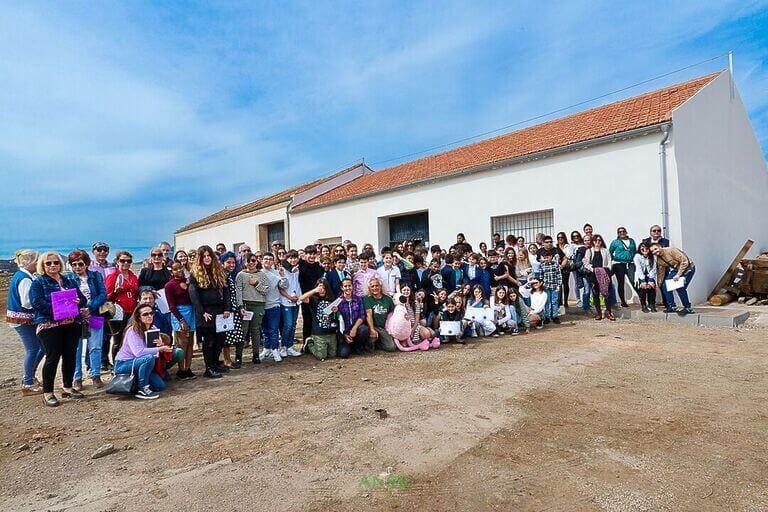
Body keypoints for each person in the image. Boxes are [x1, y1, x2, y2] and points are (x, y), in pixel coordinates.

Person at [30, 251, 90, 407]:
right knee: (52, 357)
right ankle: (48, 393)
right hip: (50, 325)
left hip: (71, 324)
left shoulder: (69, 281)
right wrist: (60, 308)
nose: (52, 265)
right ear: (42, 265)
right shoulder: (39, 282)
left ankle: (68, 387)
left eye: (55, 262)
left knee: (70, 356)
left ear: (60, 264)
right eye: (48, 263)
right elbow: (37, 303)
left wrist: (78, 301)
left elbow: (82, 299)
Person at [113, 304, 175, 400]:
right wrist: (159, 349)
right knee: (148, 358)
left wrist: (160, 345)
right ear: (138, 317)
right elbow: (139, 353)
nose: (149, 316)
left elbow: (155, 354)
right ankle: (142, 388)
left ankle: (135, 383)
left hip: (141, 363)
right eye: (145, 314)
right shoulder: (132, 331)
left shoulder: (153, 329)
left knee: (160, 386)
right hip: (124, 364)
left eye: (151, 313)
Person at [67, 249, 107, 391]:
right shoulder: (69, 279)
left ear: (87, 264)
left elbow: (103, 294)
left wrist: (89, 307)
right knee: (76, 348)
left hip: (95, 314)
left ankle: (95, 375)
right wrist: (79, 309)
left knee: (95, 346)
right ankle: (77, 378)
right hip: (76, 318)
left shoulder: (96, 276)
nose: (77, 267)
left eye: (80, 264)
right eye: (74, 264)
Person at [189, 245, 231, 378]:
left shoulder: (218, 271)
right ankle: (209, 368)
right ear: (200, 258)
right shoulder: (195, 273)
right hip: (206, 312)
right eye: (204, 256)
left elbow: (226, 292)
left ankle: (215, 364)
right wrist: (201, 312)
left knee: (220, 339)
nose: (207, 258)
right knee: (209, 341)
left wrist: (227, 308)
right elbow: (193, 294)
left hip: (219, 311)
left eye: (209, 256)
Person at [7, 249, 44, 396]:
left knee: (40, 347)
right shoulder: (25, 279)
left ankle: (30, 376)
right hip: (23, 319)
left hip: (20, 318)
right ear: (30, 262)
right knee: (34, 349)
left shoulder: (21, 275)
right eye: (37, 260)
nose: (38, 263)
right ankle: (28, 381)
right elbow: (27, 303)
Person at [105, 251, 139, 364]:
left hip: (132, 310)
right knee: (118, 339)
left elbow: (135, 293)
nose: (126, 263)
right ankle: (116, 365)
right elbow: (107, 298)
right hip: (118, 312)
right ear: (117, 261)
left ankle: (127, 362)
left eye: (128, 261)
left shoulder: (133, 276)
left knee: (130, 338)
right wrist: (115, 292)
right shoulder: (112, 277)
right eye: (122, 260)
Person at [165, 262, 196, 379]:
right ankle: (181, 369)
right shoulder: (169, 285)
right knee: (181, 343)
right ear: (172, 271)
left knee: (190, 343)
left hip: (191, 312)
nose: (179, 271)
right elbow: (171, 306)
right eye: (176, 269)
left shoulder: (188, 282)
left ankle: (188, 368)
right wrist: (182, 320)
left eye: (180, 268)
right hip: (179, 314)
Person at [236, 253, 267, 364]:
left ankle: (256, 355)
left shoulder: (262, 274)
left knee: (255, 330)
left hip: (258, 304)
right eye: (248, 261)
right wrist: (239, 306)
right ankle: (238, 356)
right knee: (243, 331)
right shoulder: (241, 275)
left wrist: (256, 283)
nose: (251, 263)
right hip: (245, 305)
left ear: (257, 262)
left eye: (253, 260)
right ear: (245, 262)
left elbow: (266, 290)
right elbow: (238, 291)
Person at [258, 253, 289, 362]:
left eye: (270, 259)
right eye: (265, 259)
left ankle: (275, 349)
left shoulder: (276, 273)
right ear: (261, 260)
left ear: (273, 261)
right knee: (264, 330)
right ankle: (266, 349)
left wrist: (282, 275)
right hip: (261, 306)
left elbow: (284, 286)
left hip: (274, 306)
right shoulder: (258, 273)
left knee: (273, 330)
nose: (268, 261)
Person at [651, 244, 696, 315]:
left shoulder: (671, 250)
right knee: (665, 286)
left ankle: (688, 307)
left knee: (680, 287)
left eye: (656, 249)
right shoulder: (659, 260)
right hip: (676, 269)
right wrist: (659, 284)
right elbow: (661, 272)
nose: (655, 251)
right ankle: (672, 306)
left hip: (688, 268)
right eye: (652, 251)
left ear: (660, 247)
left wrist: (678, 274)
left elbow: (684, 261)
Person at [300, 278, 338, 360]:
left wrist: (336, 310)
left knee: (333, 355)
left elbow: (336, 312)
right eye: (320, 287)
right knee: (322, 356)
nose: (322, 290)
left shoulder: (331, 298)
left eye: (324, 288)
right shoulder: (313, 299)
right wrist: (314, 290)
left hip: (331, 331)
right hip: (318, 332)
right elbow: (302, 298)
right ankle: (309, 343)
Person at [220, 252, 245, 369]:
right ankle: (226, 360)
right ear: (222, 263)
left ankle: (228, 359)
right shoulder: (222, 276)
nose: (231, 265)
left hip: (233, 309)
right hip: (226, 311)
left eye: (233, 262)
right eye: (228, 262)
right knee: (226, 337)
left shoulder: (229, 275)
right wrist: (227, 309)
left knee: (231, 336)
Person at [582, 235, 615, 321]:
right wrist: (592, 269)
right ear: (593, 241)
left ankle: (608, 312)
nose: (597, 242)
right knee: (595, 293)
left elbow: (609, 262)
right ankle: (598, 312)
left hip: (604, 274)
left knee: (607, 293)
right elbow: (586, 263)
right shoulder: (589, 251)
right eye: (595, 240)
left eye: (599, 240)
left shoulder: (606, 251)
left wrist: (607, 270)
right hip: (594, 275)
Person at [278, 250, 303, 357]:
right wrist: (289, 297)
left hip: (296, 301)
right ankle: (283, 346)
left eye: (295, 258)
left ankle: (290, 346)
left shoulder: (298, 270)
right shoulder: (282, 270)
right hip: (286, 301)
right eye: (290, 258)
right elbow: (280, 288)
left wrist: (297, 298)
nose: (293, 260)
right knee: (287, 324)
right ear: (287, 259)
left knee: (293, 325)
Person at [336, 278, 369, 357]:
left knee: (364, 329)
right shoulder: (338, 301)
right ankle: (347, 345)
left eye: (349, 286)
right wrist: (345, 335)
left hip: (356, 329)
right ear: (342, 288)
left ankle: (358, 346)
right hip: (344, 332)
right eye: (345, 286)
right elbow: (337, 321)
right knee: (344, 354)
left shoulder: (358, 299)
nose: (348, 288)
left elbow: (362, 316)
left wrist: (354, 328)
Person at [298, 246, 324, 342]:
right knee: (307, 321)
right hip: (305, 297)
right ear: (305, 254)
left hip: (317, 298)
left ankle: (317, 342)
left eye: (314, 254)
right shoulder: (301, 265)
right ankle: (306, 343)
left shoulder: (319, 266)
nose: (312, 256)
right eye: (309, 254)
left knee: (317, 320)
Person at [363, 278, 396, 352]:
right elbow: (369, 315)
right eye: (372, 286)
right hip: (373, 326)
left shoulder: (388, 299)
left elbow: (392, 315)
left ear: (381, 286)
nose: (375, 288)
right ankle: (371, 343)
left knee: (391, 347)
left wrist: (391, 329)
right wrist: (372, 329)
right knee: (370, 349)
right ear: (369, 288)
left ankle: (378, 343)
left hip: (384, 328)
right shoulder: (367, 299)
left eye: (377, 285)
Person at [609, 227, 637, 308]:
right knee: (621, 283)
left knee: (633, 281)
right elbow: (610, 251)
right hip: (619, 264)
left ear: (626, 232)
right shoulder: (615, 242)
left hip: (630, 263)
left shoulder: (631, 241)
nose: (622, 233)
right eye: (620, 232)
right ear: (618, 233)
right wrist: (615, 259)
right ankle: (623, 301)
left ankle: (642, 300)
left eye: (623, 231)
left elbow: (634, 250)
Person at [633, 242, 658, 313]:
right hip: (640, 276)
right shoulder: (637, 256)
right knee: (642, 288)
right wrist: (643, 280)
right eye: (642, 248)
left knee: (652, 287)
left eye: (647, 248)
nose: (645, 250)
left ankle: (652, 304)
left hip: (651, 275)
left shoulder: (653, 256)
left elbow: (654, 268)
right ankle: (643, 305)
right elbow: (639, 268)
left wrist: (651, 280)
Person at [540, 250, 562, 324]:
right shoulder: (542, 265)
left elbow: (559, 275)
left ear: (551, 257)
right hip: (546, 286)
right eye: (545, 258)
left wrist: (559, 285)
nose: (546, 259)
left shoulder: (555, 264)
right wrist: (541, 286)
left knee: (554, 301)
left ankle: (555, 316)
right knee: (547, 302)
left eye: (547, 257)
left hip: (554, 286)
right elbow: (541, 276)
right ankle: (547, 316)